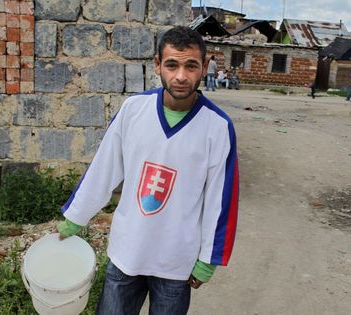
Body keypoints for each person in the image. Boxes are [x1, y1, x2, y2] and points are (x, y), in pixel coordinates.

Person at [57, 26, 239, 315]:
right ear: (157, 65)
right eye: (172, 65)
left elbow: (220, 199)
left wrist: (209, 259)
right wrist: (75, 218)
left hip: (176, 260)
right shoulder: (133, 110)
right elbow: (104, 168)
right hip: (128, 250)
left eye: (191, 66)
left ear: (204, 68)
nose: (181, 76)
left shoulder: (217, 127)